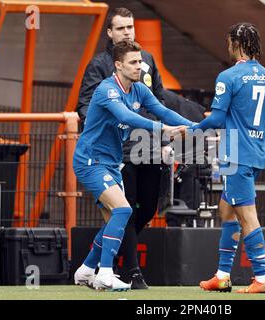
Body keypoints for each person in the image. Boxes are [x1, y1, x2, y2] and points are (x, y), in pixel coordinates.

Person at [72, 40, 192, 291]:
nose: (140, 67)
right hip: (90, 160)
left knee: (111, 220)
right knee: (124, 211)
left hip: (111, 163)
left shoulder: (139, 89)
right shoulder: (108, 90)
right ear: (118, 65)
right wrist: (163, 129)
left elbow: (163, 111)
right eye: (134, 62)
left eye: (141, 61)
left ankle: (85, 270)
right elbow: (127, 117)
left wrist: (197, 127)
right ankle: (105, 273)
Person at [190, 22, 265, 294]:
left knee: (247, 215)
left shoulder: (228, 77)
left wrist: (192, 130)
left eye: (228, 42)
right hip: (257, 152)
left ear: (235, 44)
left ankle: (262, 278)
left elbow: (216, 118)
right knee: (226, 209)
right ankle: (222, 275)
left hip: (236, 154)